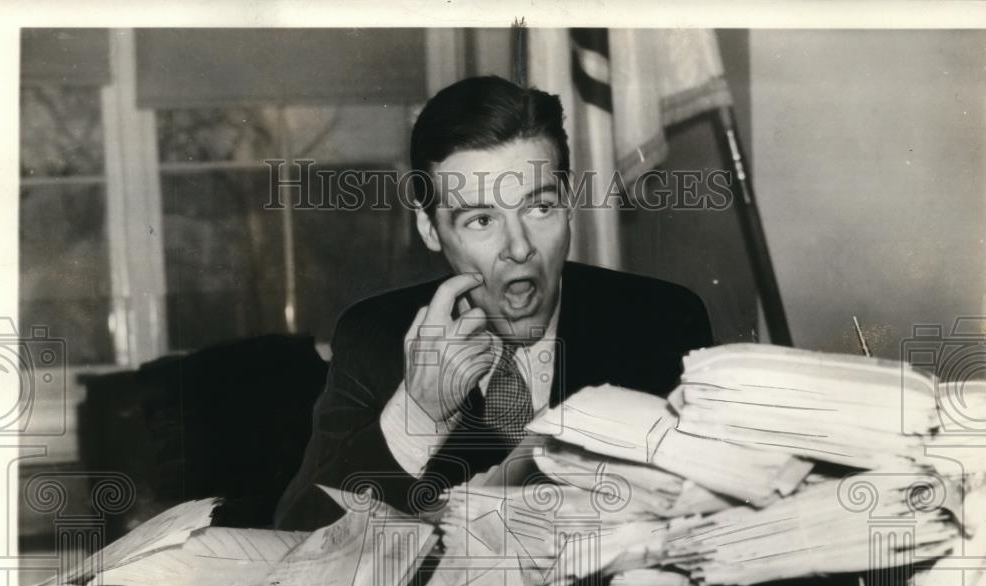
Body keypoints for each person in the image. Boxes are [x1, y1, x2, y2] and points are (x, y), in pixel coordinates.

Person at [273, 75, 713, 532]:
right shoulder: (374, 338)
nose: (519, 247)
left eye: (539, 207)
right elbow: (293, 541)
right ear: (429, 229)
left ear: (567, 206)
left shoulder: (663, 321)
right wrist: (417, 414)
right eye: (482, 219)